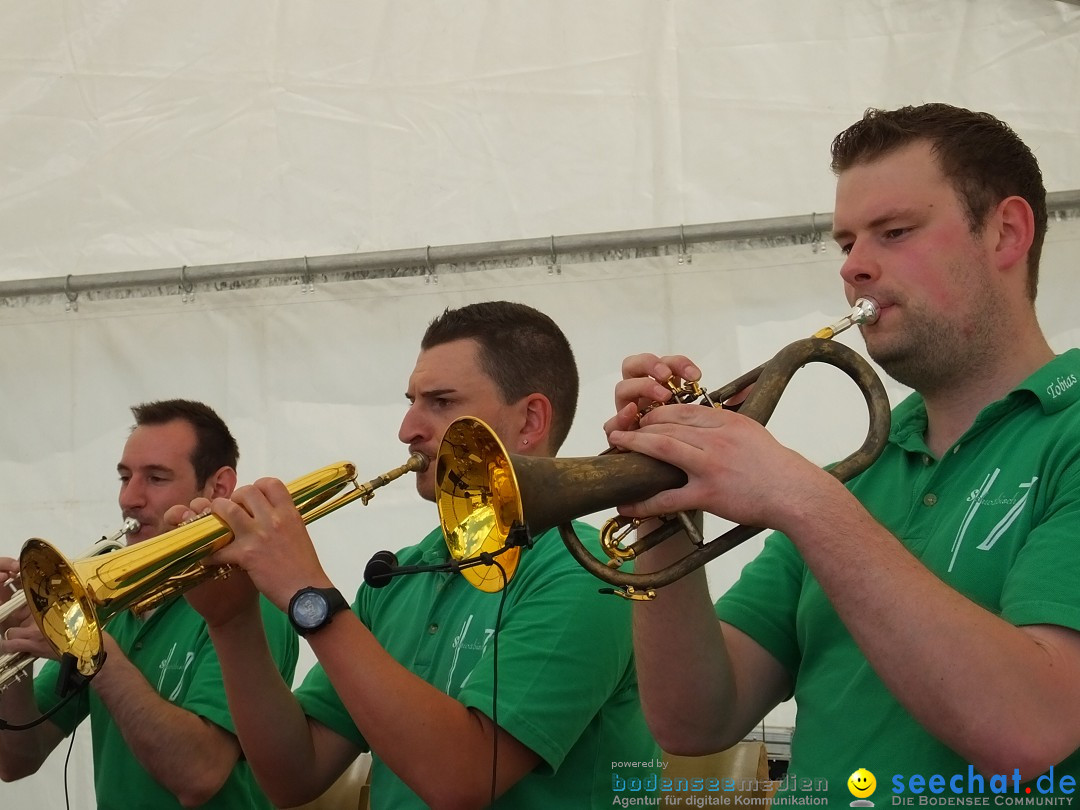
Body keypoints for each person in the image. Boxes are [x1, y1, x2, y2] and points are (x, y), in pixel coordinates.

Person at [605, 104, 1080, 803]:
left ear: (1006, 232)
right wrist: (661, 509)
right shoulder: (856, 476)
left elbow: (1028, 730)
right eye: (846, 243)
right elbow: (694, 718)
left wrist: (799, 499)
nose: (855, 267)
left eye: (894, 233)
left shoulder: (1063, 435)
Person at [177, 300, 658, 809]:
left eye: (442, 402)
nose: (407, 429)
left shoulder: (591, 572)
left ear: (530, 420)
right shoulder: (402, 572)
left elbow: (464, 779)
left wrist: (307, 594)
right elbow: (294, 775)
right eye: (412, 401)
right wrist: (232, 621)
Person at [0, 399, 299, 809]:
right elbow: (17, 759)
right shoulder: (107, 597)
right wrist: (11, 639)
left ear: (219, 487)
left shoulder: (247, 598)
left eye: (156, 478)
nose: (130, 498)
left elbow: (199, 775)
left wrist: (99, 656)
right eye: (125, 477)